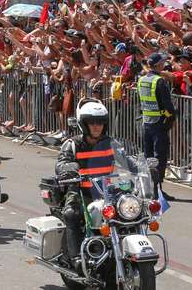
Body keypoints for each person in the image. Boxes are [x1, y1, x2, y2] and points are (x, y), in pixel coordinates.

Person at [54, 99, 114, 268]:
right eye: (92, 123)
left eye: (101, 123)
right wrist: (68, 166)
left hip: (105, 193)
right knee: (72, 213)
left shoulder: (110, 143)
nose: (97, 126)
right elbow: (61, 164)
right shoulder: (72, 144)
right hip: (81, 191)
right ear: (84, 124)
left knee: (131, 214)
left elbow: (129, 161)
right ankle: (75, 259)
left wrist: (141, 167)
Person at [138, 52, 178, 200]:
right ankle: (157, 189)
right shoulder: (159, 81)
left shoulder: (141, 80)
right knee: (159, 158)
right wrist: (172, 118)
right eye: (162, 63)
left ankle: (149, 188)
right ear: (158, 65)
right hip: (158, 124)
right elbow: (168, 106)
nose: (164, 65)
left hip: (146, 122)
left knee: (148, 156)